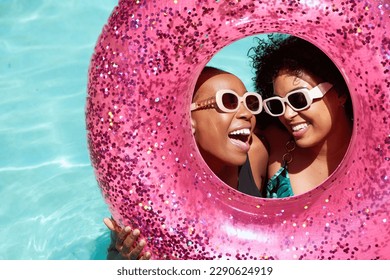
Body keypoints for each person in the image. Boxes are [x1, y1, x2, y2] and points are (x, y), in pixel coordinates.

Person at [105, 66, 270, 259]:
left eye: (250, 103)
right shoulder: (152, 191)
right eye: (228, 101)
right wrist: (127, 259)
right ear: (188, 120)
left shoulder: (256, 153)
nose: (247, 114)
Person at [250, 34, 353, 198]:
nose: (287, 114)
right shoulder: (272, 144)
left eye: (298, 99)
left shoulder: (379, 153)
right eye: (277, 104)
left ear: (340, 92)